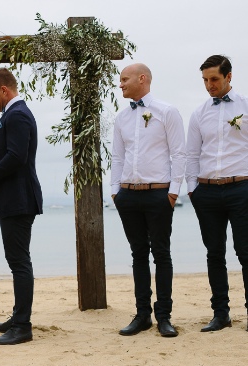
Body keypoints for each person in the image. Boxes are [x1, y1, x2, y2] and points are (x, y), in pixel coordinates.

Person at [111, 63, 185, 337]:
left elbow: (179, 153)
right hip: (128, 195)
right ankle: (142, 315)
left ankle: (163, 316)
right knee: (138, 254)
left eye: (124, 79)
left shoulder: (167, 112)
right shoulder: (122, 118)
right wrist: (115, 191)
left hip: (158, 194)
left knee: (161, 254)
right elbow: (117, 157)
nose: (120, 84)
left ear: (142, 79)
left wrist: (173, 192)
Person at [0, 68, 43, 345]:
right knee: (17, 261)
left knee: (19, 262)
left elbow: (16, 158)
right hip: (14, 198)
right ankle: (18, 316)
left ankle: (23, 326)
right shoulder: (11, 115)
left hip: (19, 199)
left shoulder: (18, 115)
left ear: (4, 91)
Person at [186, 55, 248, 332]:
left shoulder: (245, 107)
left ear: (228, 77)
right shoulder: (199, 113)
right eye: (205, 80)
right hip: (207, 192)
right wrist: (192, 189)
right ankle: (220, 313)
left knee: (245, 252)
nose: (209, 85)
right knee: (214, 253)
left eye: (214, 79)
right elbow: (191, 153)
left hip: (242, 188)